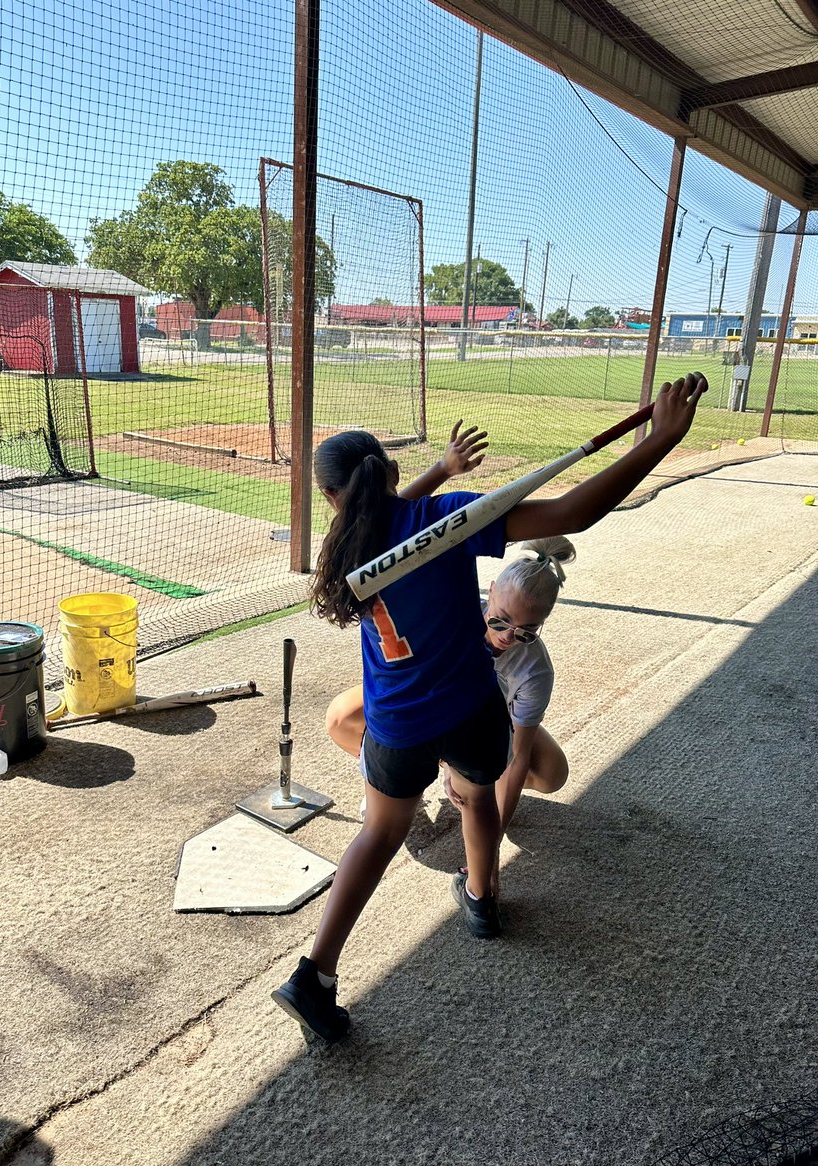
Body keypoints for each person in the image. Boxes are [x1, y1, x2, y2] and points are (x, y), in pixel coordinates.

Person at [271, 372, 707, 1044]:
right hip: (471, 709)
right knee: (476, 801)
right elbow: (570, 515)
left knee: (379, 835)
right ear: (389, 472)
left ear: (333, 498)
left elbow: (382, 512)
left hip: (396, 723)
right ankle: (481, 900)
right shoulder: (444, 522)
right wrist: (662, 439)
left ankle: (316, 974)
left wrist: (439, 471)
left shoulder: (343, 550)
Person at [327, 535, 576, 897]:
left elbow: (519, 757)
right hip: (430, 703)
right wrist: (448, 764)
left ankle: (478, 757)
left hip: (489, 719)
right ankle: (400, 785)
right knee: (340, 718)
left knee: (553, 773)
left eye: (526, 633)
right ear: (490, 592)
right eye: (501, 622)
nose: (508, 638)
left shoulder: (536, 669)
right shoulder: (455, 616)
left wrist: (491, 849)